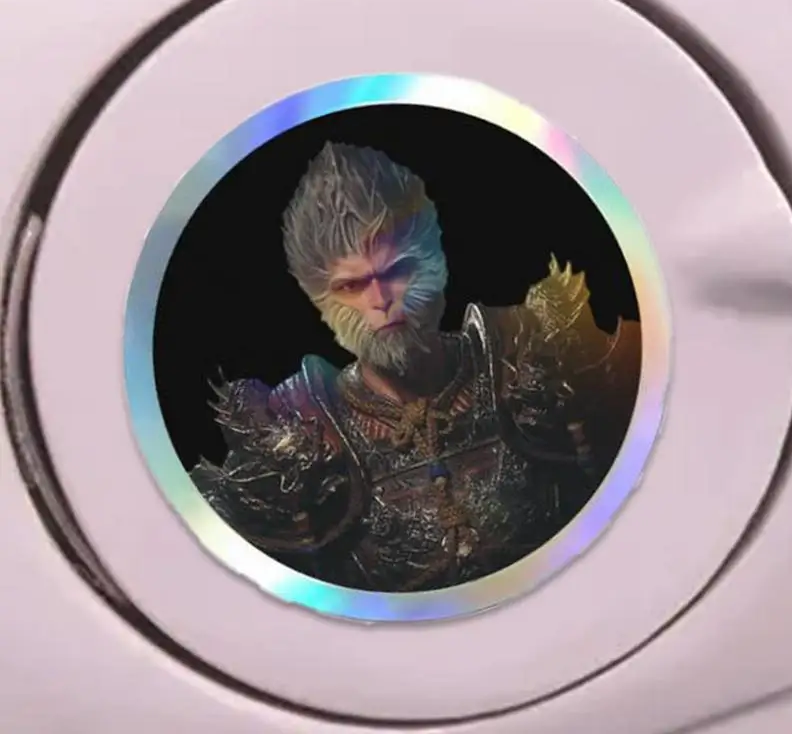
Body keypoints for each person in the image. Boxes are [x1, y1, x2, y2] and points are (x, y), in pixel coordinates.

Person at [192, 142, 641, 593]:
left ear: (435, 263)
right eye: (351, 286)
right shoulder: (299, 428)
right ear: (319, 300)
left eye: (396, 271)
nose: (380, 299)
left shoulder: (527, 355)